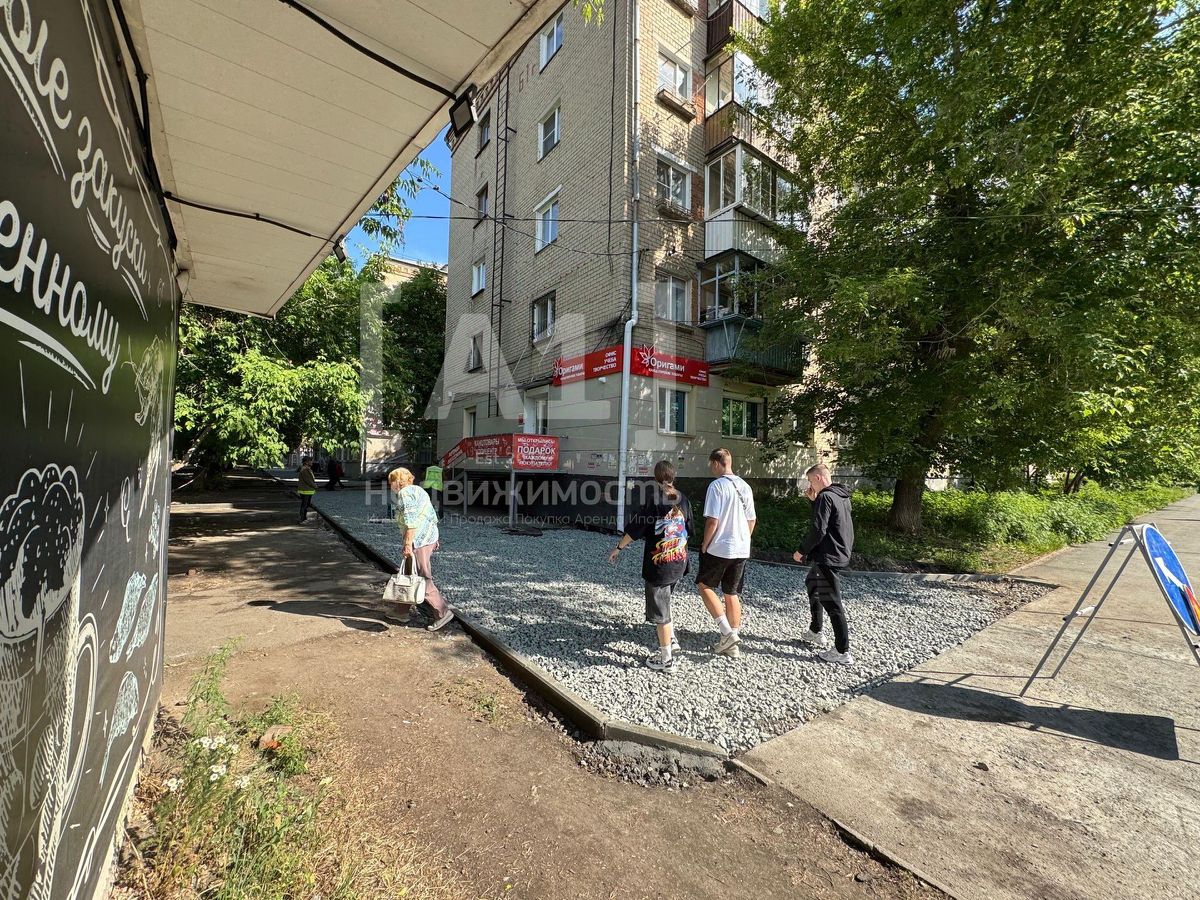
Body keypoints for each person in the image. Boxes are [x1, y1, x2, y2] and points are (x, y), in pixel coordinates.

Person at [608, 461, 693, 673]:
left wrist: (618, 548)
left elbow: (635, 529)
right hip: (679, 561)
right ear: (674, 476)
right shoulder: (684, 499)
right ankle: (671, 639)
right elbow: (690, 529)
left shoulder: (654, 501)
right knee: (666, 601)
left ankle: (666, 660)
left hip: (660, 566)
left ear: (656, 478)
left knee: (660, 612)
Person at [793, 463, 856, 665]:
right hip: (838, 552)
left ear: (818, 478)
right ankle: (815, 631)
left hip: (828, 556)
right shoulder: (840, 495)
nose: (810, 485)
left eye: (810, 481)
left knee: (832, 601)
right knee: (812, 583)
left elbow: (818, 529)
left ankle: (842, 651)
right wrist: (814, 503)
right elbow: (828, 523)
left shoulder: (826, 497)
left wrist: (801, 551)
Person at [697, 448, 756, 658]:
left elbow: (712, 521)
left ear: (716, 463)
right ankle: (733, 643)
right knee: (731, 592)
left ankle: (726, 632)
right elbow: (752, 520)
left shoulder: (716, 486)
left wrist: (705, 543)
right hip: (742, 547)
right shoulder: (745, 486)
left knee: (704, 585)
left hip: (720, 546)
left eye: (710, 464)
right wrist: (744, 539)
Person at [388, 467, 454, 632]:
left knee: (422, 578)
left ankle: (442, 612)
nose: (390, 485)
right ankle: (401, 611)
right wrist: (434, 538)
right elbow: (432, 515)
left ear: (398, 482)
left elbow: (411, 522)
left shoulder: (405, 494)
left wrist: (408, 544)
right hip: (427, 538)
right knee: (408, 574)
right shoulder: (419, 490)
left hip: (419, 541)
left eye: (391, 482)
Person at [297, 456, 317, 523]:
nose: (312, 462)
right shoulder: (305, 470)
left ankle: (304, 518)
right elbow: (308, 480)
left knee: (306, 505)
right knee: (304, 505)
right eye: (310, 461)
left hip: (307, 490)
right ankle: (302, 519)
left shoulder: (307, 469)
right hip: (305, 490)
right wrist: (314, 486)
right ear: (306, 462)